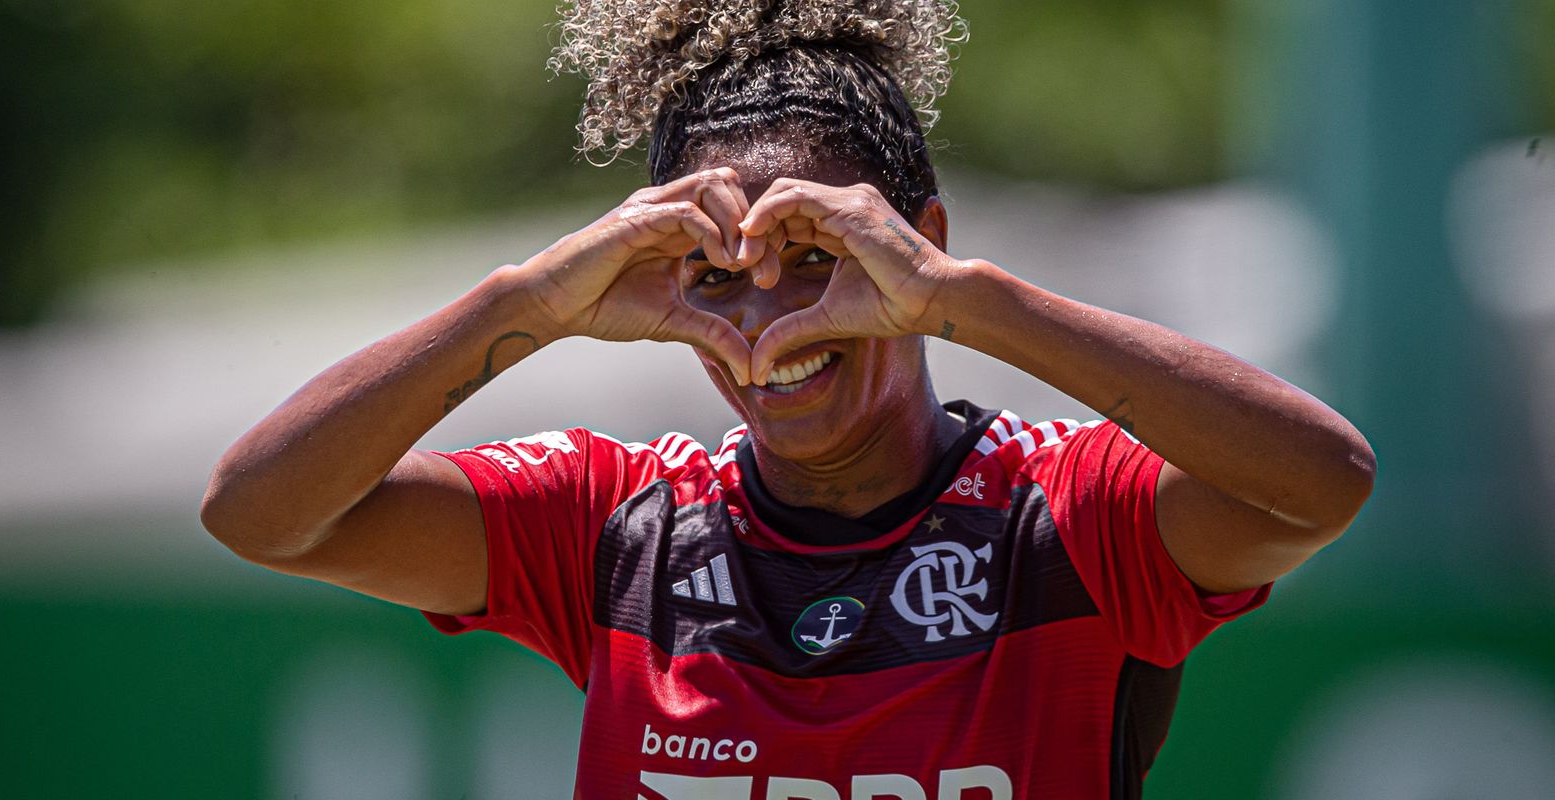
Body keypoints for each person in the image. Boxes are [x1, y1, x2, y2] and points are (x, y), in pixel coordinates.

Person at [201, 1, 1375, 796]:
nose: (770, 325)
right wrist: (534, 301)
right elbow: (259, 512)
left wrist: (963, 299)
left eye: (819, 260)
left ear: (920, 248)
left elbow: (1321, 481)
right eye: (713, 277)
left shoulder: (1067, 517)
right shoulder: (613, 527)